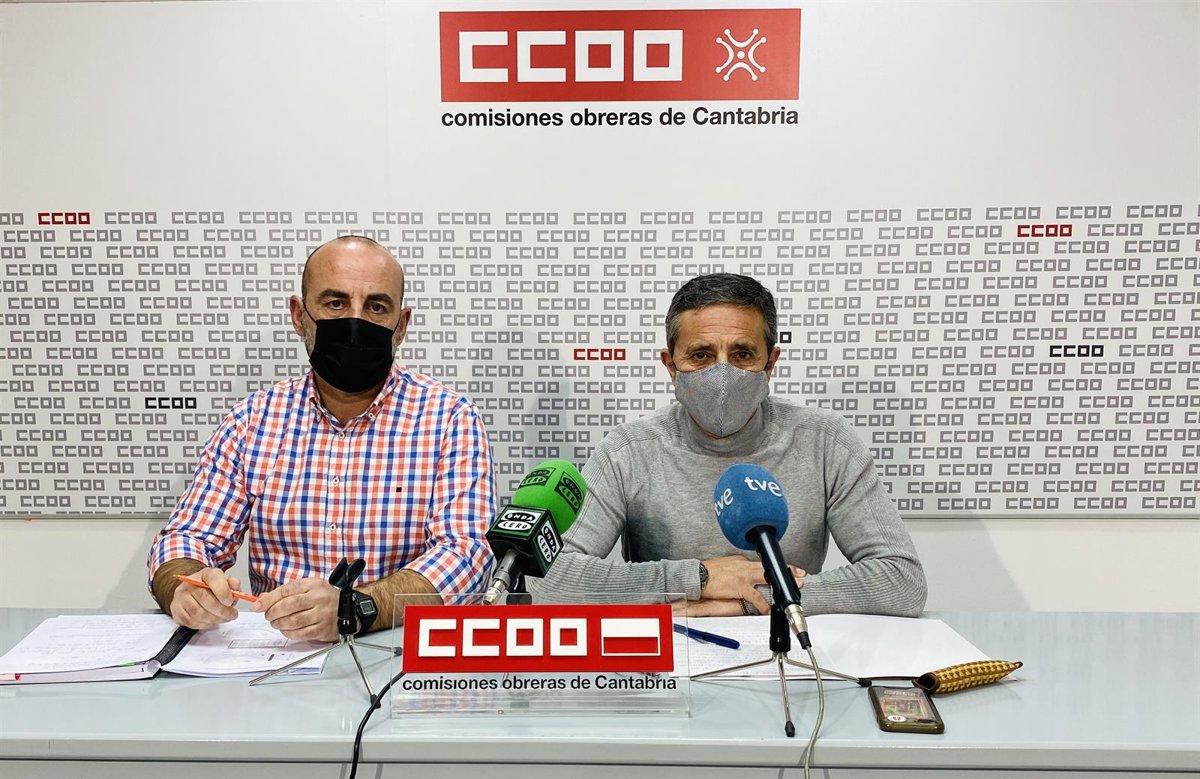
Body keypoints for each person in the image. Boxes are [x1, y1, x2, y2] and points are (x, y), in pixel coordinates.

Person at [148, 236, 495, 641]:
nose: (355, 321)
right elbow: (188, 537)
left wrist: (356, 607)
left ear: (400, 325)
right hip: (277, 655)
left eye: (376, 307)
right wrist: (185, 588)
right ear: (299, 315)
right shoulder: (252, 420)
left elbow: (467, 555)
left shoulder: (449, 418)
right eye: (335, 303)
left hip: (396, 654)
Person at [530, 273, 926, 617]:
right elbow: (544, 578)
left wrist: (757, 599)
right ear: (671, 366)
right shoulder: (628, 450)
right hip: (672, 658)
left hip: (790, 649)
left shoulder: (825, 441)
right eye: (701, 355)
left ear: (770, 363)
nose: (722, 372)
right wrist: (698, 578)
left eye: (742, 354)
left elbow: (902, 580)